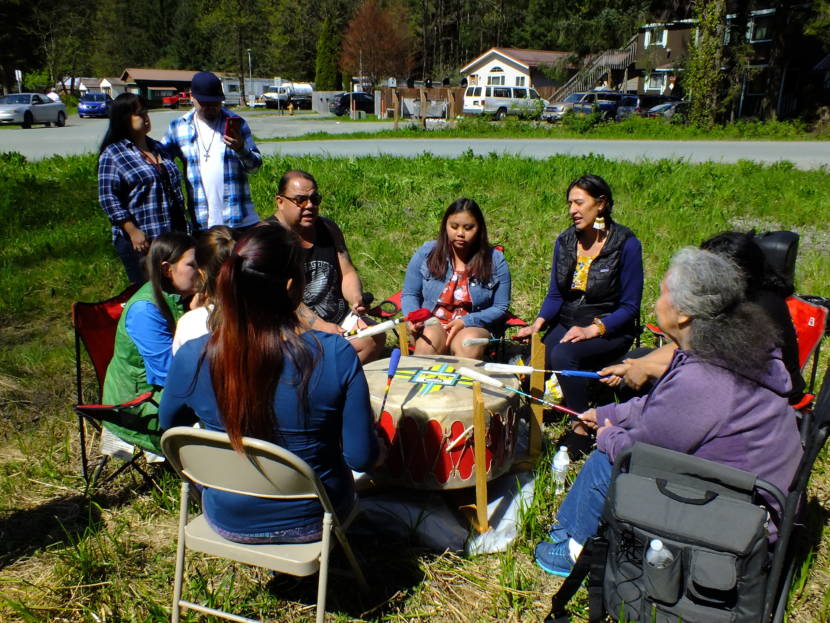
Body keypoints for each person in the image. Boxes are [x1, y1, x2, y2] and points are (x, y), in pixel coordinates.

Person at [534, 248, 802, 577]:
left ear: (685, 313)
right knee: (612, 440)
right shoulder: (735, 348)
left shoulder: (703, 379)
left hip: (735, 519)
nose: (656, 302)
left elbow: (638, 454)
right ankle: (566, 532)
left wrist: (608, 434)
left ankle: (575, 550)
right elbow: (658, 409)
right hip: (754, 499)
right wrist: (609, 414)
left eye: (662, 293)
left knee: (606, 457)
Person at [159, 224, 380, 544]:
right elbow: (361, 457)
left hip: (225, 516)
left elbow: (171, 430)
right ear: (292, 287)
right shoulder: (335, 355)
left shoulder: (193, 355)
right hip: (315, 519)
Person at [516, 174, 643, 458]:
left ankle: (581, 426)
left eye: (579, 202)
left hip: (611, 326)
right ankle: (527, 415)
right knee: (533, 360)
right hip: (568, 319)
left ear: (601, 204)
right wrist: (537, 325)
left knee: (563, 356)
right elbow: (555, 296)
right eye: (569, 203)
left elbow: (630, 307)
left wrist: (594, 329)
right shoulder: (565, 241)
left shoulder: (626, 245)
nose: (572, 210)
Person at [600, 231, 806, 405]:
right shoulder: (742, 298)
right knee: (637, 356)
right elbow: (695, 344)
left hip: (764, 399)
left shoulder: (755, 312)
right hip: (725, 378)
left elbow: (709, 376)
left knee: (640, 382)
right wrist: (637, 364)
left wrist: (648, 369)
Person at [266, 169, 383, 364]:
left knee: (374, 336)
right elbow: (282, 299)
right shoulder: (268, 238)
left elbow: (347, 272)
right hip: (289, 324)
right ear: (280, 201)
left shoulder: (328, 228)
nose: (310, 205)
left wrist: (356, 298)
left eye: (315, 199)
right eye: (301, 200)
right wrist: (321, 326)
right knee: (334, 352)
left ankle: (341, 381)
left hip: (336, 318)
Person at [101, 232, 198, 455]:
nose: (201, 271)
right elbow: (169, 374)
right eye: (193, 265)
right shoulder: (146, 310)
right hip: (140, 405)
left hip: (169, 390)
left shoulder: (183, 297)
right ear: (166, 269)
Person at [401, 198, 511, 359]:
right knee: (428, 340)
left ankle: (465, 384)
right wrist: (414, 317)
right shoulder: (426, 253)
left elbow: (501, 306)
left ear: (479, 229)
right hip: (433, 321)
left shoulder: (495, 259)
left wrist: (467, 320)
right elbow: (410, 294)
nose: (460, 233)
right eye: (454, 226)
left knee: (468, 343)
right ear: (445, 226)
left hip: (473, 325)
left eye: (468, 228)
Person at [98, 93, 189, 284]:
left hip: (171, 237)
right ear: (124, 118)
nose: (146, 118)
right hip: (142, 240)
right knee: (149, 292)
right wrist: (132, 231)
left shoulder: (159, 148)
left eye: (146, 112)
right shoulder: (113, 154)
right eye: (139, 114)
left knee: (175, 291)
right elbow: (108, 198)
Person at [161, 71, 261, 232]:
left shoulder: (237, 123)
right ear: (192, 97)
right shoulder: (178, 127)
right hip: (202, 222)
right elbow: (160, 162)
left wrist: (241, 150)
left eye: (215, 103)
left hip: (239, 219)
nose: (210, 108)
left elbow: (255, 167)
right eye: (204, 103)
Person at [171, 225, 237, 356]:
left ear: (201, 273)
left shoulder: (189, 324)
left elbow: (185, 372)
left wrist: (196, 314)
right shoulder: (268, 311)